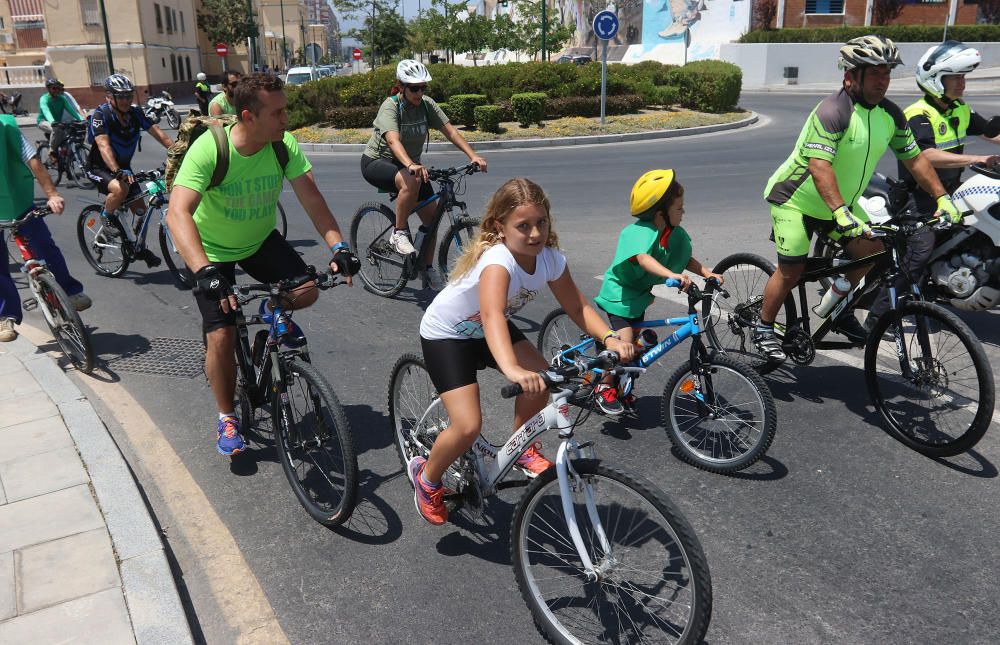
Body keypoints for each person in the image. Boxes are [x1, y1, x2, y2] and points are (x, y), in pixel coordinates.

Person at [408, 178, 637, 525]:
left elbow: (577, 306)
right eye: (523, 226)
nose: (535, 233)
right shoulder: (498, 261)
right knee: (468, 426)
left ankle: (520, 448)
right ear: (500, 227)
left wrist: (609, 337)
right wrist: (513, 370)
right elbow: (492, 315)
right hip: (448, 335)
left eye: (541, 223)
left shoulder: (550, 259)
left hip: (487, 332)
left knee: (545, 381)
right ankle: (427, 478)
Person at [166, 72, 360, 457]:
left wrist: (339, 247)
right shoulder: (210, 149)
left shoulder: (282, 146)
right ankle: (227, 417)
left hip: (257, 241)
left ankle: (271, 313)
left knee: (306, 290)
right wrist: (205, 272)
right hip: (212, 251)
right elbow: (177, 213)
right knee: (220, 335)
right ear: (248, 116)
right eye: (278, 113)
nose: (287, 120)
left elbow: (313, 201)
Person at [756, 35, 958, 364]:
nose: (883, 81)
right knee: (791, 271)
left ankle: (835, 306)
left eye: (887, 73)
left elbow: (915, 159)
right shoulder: (833, 111)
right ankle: (764, 327)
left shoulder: (890, 115)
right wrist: (840, 212)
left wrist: (942, 198)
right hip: (795, 200)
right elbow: (819, 166)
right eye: (875, 73)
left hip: (840, 205)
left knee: (875, 254)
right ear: (851, 76)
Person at [867, 41, 1000, 329]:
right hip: (918, 198)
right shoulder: (919, 114)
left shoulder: (958, 109)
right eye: (957, 78)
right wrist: (980, 158)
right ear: (937, 80)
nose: (962, 83)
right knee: (919, 254)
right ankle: (877, 320)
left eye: (963, 77)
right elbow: (925, 155)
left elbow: (992, 131)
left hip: (949, 194)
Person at [592, 169, 723, 415]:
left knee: (633, 348)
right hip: (619, 295)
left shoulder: (672, 234)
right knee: (625, 346)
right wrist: (669, 275)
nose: (683, 213)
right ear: (660, 212)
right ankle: (604, 387)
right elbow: (643, 258)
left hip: (639, 298)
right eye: (679, 209)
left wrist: (706, 272)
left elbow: (683, 257)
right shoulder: (639, 232)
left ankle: (624, 383)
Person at [361, 59, 487, 289]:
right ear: (401, 86)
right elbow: (392, 140)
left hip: (412, 168)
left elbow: (449, 131)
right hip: (378, 162)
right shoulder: (390, 106)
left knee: (432, 220)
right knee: (411, 179)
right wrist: (410, 164)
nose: (419, 92)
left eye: (423, 87)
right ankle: (398, 234)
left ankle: (426, 268)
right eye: (414, 88)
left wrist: (473, 156)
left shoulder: (427, 104)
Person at [0, 114, 92, 342]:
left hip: (16, 199)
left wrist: (52, 194)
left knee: (43, 244)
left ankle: (69, 291)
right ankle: (6, 315)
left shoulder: (6, 126)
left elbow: (32, 158)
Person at [84, 74, 174, 267]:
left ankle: (136, 246)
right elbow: (103, 146)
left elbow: (157, 132)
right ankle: (106, 216)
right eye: (121, 96)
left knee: (141, 210)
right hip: (99, 167)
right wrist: (117, 171)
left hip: (124, 169)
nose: (126, 100)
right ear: (109, 96)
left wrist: (178, 152)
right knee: (120, 189)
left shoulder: (135, 113)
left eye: (128, 95)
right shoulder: (100, 116)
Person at [37, 78, 83, 162]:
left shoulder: (62, 99)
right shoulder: (44, 99)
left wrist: (82, 119)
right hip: (44, 121)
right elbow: (46, 111)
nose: (56, 90)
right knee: (58, 130)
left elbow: (72, 111)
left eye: (58, 88)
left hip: (58, 123)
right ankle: (51, 152)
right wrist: (52, 122)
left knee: (71, 132)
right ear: (48, 89)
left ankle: (65, 157)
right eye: (54, 88)